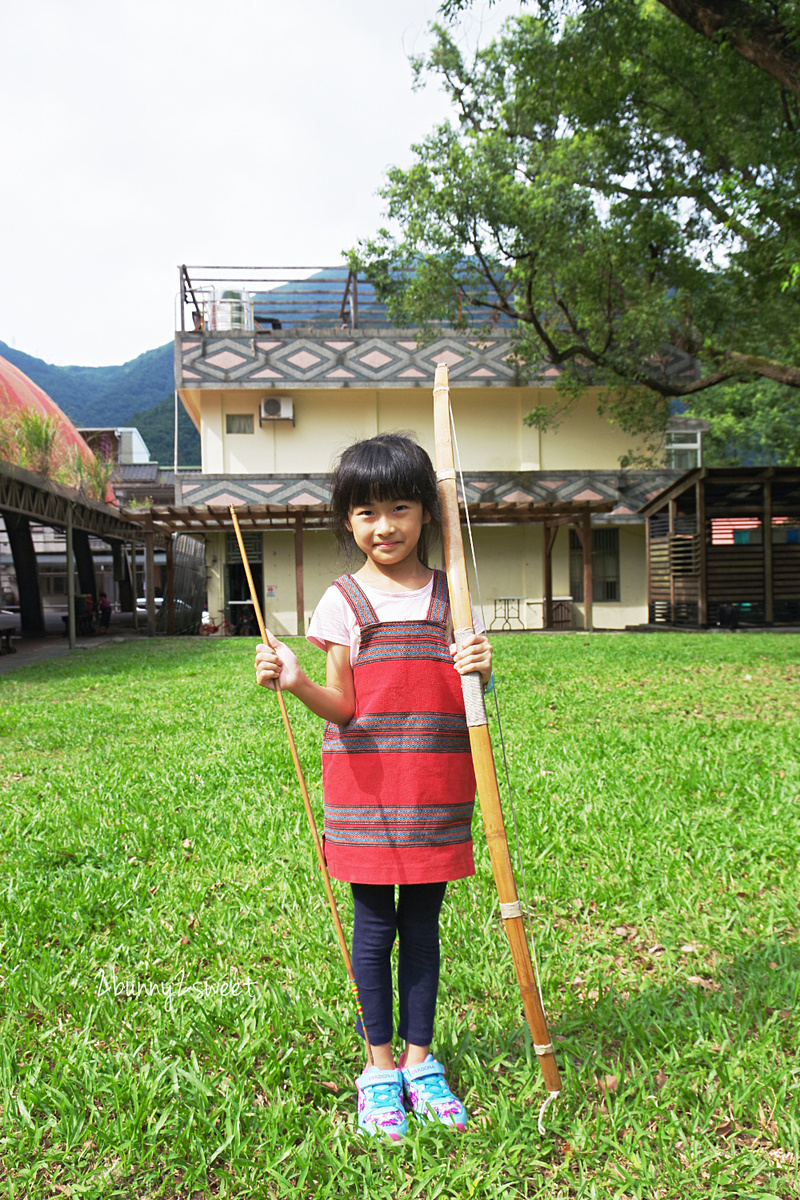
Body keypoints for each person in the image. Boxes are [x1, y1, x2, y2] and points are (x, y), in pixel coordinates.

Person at [254, 433, 492, 1140]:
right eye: (365, 512)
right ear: (346, 520)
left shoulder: (454, 594)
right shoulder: (343, 602)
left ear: (426, 513)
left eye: (399, 507)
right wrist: (297, 683)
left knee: (424, 925)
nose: (383, 526)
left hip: (435, 790)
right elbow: (344, 707)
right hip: (362, 793)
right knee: (373, 927)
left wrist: (480, 663)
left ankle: (422, 1062)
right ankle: (379, 1068)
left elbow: (471, 698)